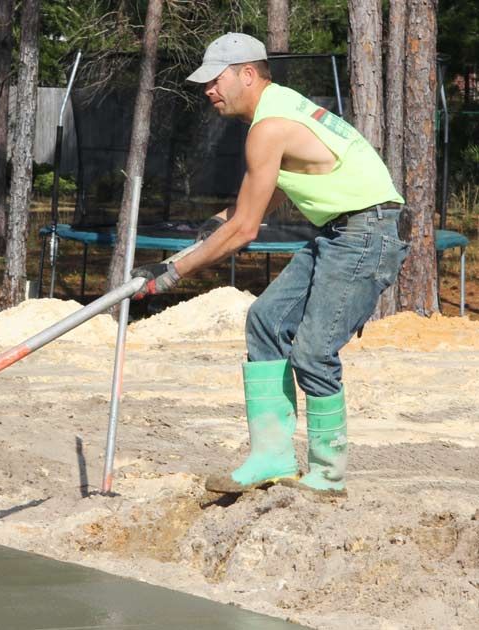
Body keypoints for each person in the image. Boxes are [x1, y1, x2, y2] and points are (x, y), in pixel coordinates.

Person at [131, 33, 411, 496]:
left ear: (247, 73)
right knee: (266, 320)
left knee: (314, 352)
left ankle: (327, 475)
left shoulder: (268, 126)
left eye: (215, 80)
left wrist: (170, 273)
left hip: (366, 232)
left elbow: (245, 231)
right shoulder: (282, 109)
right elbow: (283, 182)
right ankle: (271, 458)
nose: (208, 91)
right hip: (345, 230)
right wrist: (216, 221)